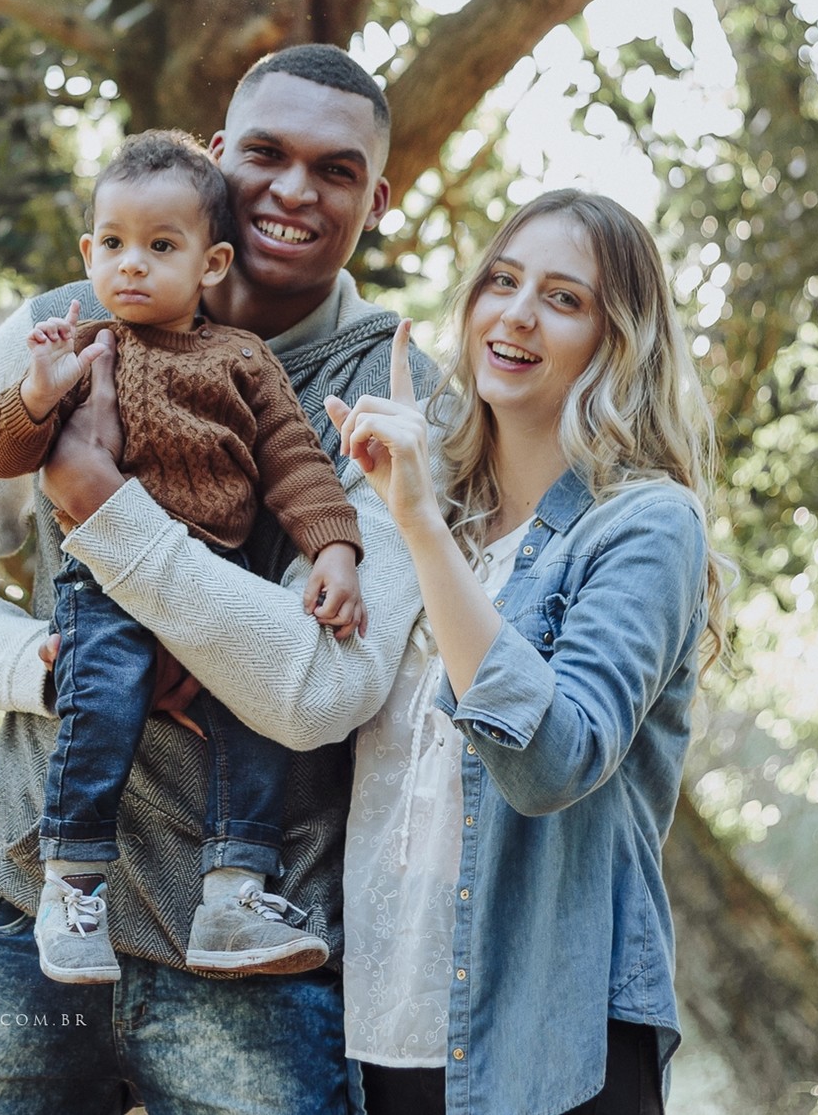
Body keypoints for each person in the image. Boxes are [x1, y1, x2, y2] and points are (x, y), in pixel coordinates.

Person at [0, 45, 437, 1115]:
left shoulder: (400, 390)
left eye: (336, 169)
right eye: (266, 153)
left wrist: (103, 502)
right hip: (26, 911)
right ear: (217, 155)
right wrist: (57, 669)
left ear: (377, 200)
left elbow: (322, 685)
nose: (293, 190)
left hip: (259, 954)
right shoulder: (58, 332)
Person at [328, 190, 725, 1115]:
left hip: (549, 1042)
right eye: (502, 282)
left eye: (563, 298)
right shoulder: (421, 497)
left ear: (615, 341)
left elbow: (554, 762)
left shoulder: (644, 526)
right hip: (376, 1031)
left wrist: (421, 527)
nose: (516, 314)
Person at [0, 129, 365, 984]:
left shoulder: (244, 359)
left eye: (161, 247)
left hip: (216, 582)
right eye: (113, 244)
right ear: (89, 252)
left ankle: (233, 895)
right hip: (104, 585)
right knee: (103, 706)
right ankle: (72, 883)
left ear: (211, 263)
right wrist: (39, 390)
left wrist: (334, 549)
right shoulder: (83, 349)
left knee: (254, 724)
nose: (132, 265)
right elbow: (2, 452)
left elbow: (296, 463)